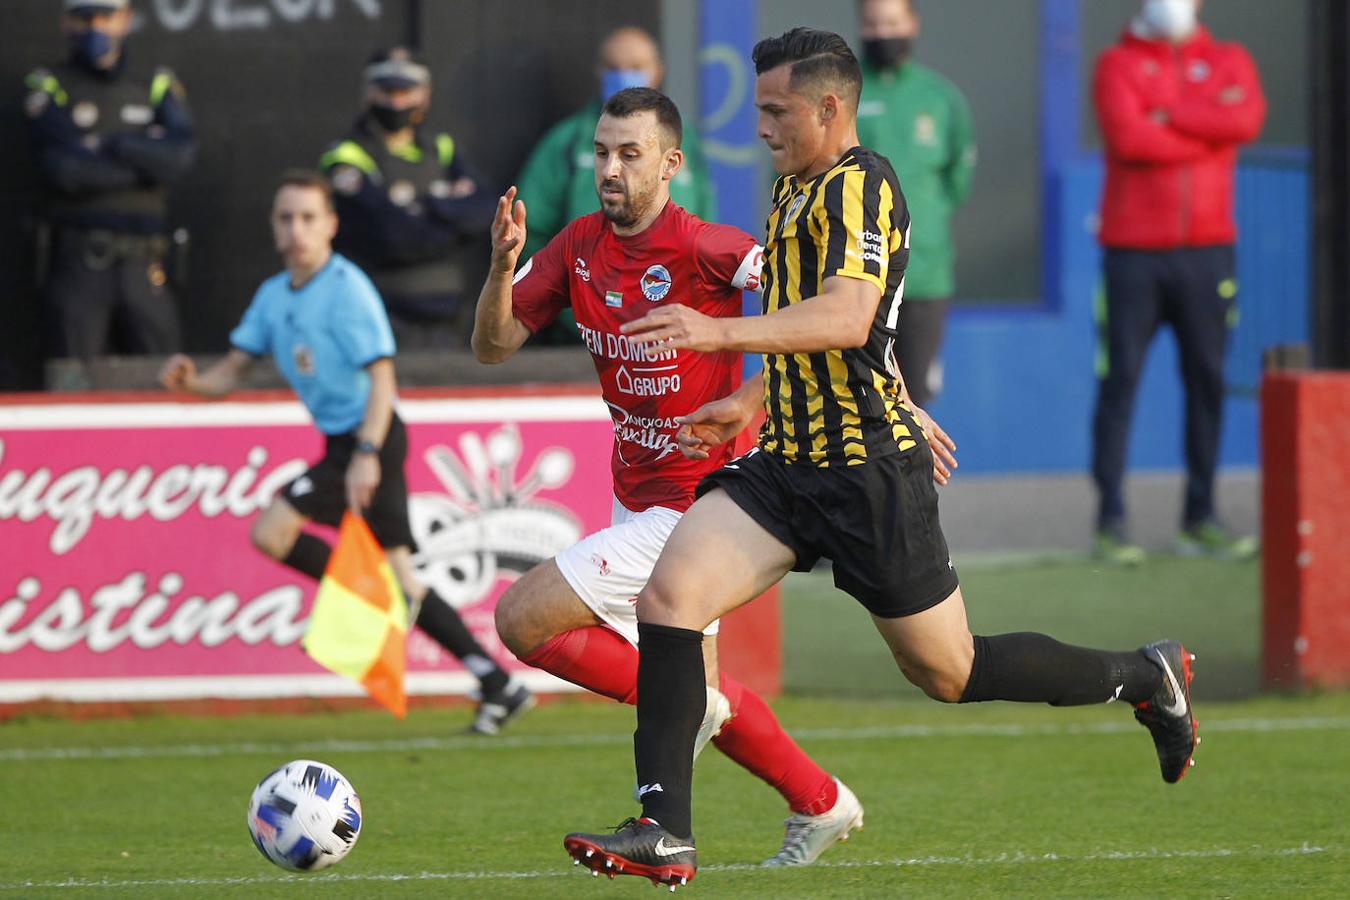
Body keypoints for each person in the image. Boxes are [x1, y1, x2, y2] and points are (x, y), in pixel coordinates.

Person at [562, 29, 1197, 889]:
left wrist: (718, 332)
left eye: (776, 110)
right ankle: (663, 828)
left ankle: (1142, 675)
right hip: (785, 465)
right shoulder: (791, 190)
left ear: (830, 109)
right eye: (759, 110)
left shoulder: (863, 185)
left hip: (866, 477)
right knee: (670, 598)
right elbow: (823, 332)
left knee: (950, 670)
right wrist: (750, 400)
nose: (761, 127)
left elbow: (849, 317)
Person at [474, 86, 890, 868]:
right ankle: (820, 800)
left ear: (670, 164)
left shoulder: (711, 248)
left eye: (629, 155)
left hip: (705, 506)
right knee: (691, 697)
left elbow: (826, 320)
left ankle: (684, 794)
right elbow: (494, 346)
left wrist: (749, 396)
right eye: (601, 152)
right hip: (632, 495)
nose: (610, 169)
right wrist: (501, 267)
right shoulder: (574, 248)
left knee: (522, 619)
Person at [157, 170, 531, 735]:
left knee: (273, 534)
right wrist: (190, 382)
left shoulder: (346, 286)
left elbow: (382, 378)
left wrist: (364, 454)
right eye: (285, 218)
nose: (296, 229)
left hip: (370, 435)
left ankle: (480, 670)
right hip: (347, 444)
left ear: (330, 225)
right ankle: (496, 682)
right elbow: (230, 372)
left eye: (308, 217)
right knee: (403, 580)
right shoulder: (273, 296)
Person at [1090, 0, 1264, 565]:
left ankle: (1201, 517)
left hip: (1209, 254)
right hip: (1132, 255)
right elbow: (1130, 139)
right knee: (1121, 384)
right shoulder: (1115, 64)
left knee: (1208, 381)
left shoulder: (1230, 58)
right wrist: (1205, 127)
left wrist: (1168, 113)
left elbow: (1245, 120)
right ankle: (1111, 521)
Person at [22, 0, 195, 383]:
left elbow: (178, 158)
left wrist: (110, 144)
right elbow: (65, 170)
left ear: (126, 19)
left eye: (105, 16)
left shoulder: (154, 83)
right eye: (85, 17)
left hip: (145, 264)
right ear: (67, 21)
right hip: (81, 262)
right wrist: (143, 161)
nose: (95, 27)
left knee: (165, 379)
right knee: (71, 382)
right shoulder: (49, 83)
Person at [514, 26, 716, 345]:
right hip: (584, 334)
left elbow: (706, 231)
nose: (624, 75)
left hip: (670, 330)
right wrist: (569, 300)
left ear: (658, 72)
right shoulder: (566, 142)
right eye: (614, 67)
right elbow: (527, 231)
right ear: (598, 72)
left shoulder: (685, 140)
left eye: (636, 67)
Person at [320, 47, 495, 348]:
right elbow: (390, 234)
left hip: (448, 319)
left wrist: (427, 206)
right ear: (368, 92)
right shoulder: (347, 156)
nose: (396, 101)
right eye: (387, 90)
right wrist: (450, 222)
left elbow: (484, 210)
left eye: (406, 90)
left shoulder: (441, 149)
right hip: (377, 317)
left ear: (424, 94)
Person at [854, 0, 975, 409]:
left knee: (915, 399)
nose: (882, 32)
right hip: (857, 273)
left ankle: (917, 476)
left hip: (924, 273)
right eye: (872, 23)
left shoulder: (940, 97)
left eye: (892, 22)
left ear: (912, 24)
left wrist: (924, 221)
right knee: (860, 397)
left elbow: (956, 180)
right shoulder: (846, 92)